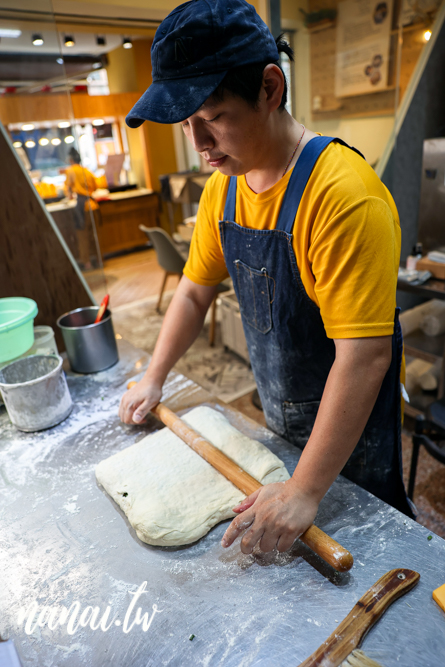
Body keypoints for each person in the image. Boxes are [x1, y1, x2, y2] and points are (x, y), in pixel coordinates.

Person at [120, 0, 414, 555]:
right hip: (281, 428)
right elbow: (192, 290)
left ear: (270, 87)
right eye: (187, 125)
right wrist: (154, 375)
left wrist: (304, 489)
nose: (200, 145)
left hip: (350, 448)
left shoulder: (343, 198)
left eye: (212, 118)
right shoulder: (223, 190)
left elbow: (364, 356)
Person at [65, 147, 99, 271]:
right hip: (92, 205)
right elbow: (95, 186)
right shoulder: (87, 171)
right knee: (94, 234)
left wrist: (69, 196)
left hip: (81, 207)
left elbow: (68, 189)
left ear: (70, 159)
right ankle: (99, 259)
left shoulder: (71, 171)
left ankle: (87, 263)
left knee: (82, 236)